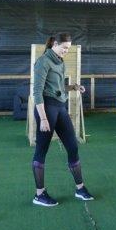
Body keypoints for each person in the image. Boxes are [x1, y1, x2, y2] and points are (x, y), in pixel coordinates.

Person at [31, 32, 93, 207]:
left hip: (60, 108)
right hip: (47, 109)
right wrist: (43, 118)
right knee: (41, 150)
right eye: (64, 48)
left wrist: (74, 87)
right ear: (55, 44)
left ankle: (80, 189)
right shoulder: (43, 61)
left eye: (68, 48)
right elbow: (37, 92)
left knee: (73, 146)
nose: (66, 51)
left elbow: (58, 87)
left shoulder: (60, 61)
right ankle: (39, 194)